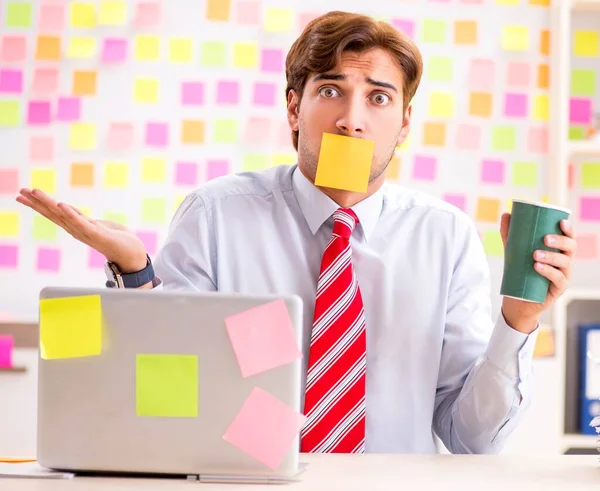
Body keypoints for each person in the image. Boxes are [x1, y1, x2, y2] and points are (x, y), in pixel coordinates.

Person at [16, 10, 576, 454]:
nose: (352, 119)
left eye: (378, 98)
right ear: (293, 108)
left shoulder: (445, 236)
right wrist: (138, 272)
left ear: (404, 123)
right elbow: (166, 391)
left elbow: (473, 440)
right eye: (331, 91)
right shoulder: (216, 215)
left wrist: (519, 321)